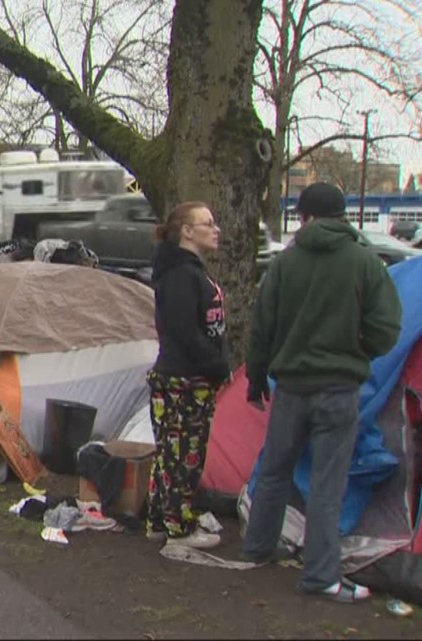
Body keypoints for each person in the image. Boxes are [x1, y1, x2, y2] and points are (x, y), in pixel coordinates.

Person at [242, 182, 401, 603]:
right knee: (328, 484)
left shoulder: (285, 264)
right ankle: (320, 576)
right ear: (343, 216)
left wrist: (256, 380)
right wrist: (359, 350)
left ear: (306, 216)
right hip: (339, 389)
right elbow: (387, 327)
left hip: (291, 387)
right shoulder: (365, 263)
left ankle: (257, 547)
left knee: (275, 470)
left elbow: (262, 330)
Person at [145, 201, 229, 549]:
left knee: (171, 453)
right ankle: (178, 528)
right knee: (182, 456)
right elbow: (184, 329)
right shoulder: (181, 274)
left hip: (189, 378)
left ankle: (159, 521)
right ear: (187, 232)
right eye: (207, 223)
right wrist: (215, 363)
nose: (216, 228)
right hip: (183, 380)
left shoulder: (191, 270)